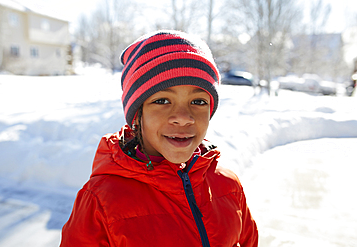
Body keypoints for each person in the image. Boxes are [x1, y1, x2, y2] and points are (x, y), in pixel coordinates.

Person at [60, 30, 258, 247]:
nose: (183, 118)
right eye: (163, 100)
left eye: (198, 101)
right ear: (138, 114)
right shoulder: (101, 200)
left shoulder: (228, 185)